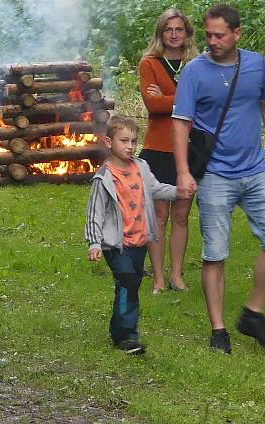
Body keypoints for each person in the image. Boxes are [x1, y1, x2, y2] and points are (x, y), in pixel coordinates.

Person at [171, 4, 265, 354]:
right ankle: (219, 329)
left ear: (237, 33)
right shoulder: (194, 72)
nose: (212, 41)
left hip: (255, 170)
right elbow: (181, 123)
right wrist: (182, 171)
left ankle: (252, 313)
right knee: (215, 253)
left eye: (219, 35)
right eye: (208, 35)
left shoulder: (255, 65)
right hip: (215, 176)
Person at [85, 116, 181, 355]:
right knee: (127, 279)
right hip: (115, 243)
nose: (129, 146)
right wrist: (94, 242)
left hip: (139, 239)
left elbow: (156, 188)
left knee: (131, 283)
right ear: (109, 142)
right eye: (123, 141)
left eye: (133, 141)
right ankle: (126, 336)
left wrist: (179, 192)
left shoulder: (141, 167)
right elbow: (94, 212)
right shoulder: (104, 177)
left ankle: (120, 328)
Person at [138, 8, 198, 293]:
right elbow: (154, 106)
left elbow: (205, 104)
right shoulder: (149, 63)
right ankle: (158, 278)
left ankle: (176, 275)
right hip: (158, 147)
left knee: (182, 215)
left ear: (187, 33)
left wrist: (168, 99)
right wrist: (186, 101)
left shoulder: (198, 64)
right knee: (159, 215)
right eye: (168, 30)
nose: (174, 35)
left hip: (189, 148)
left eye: (179, 29)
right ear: (160, 33)